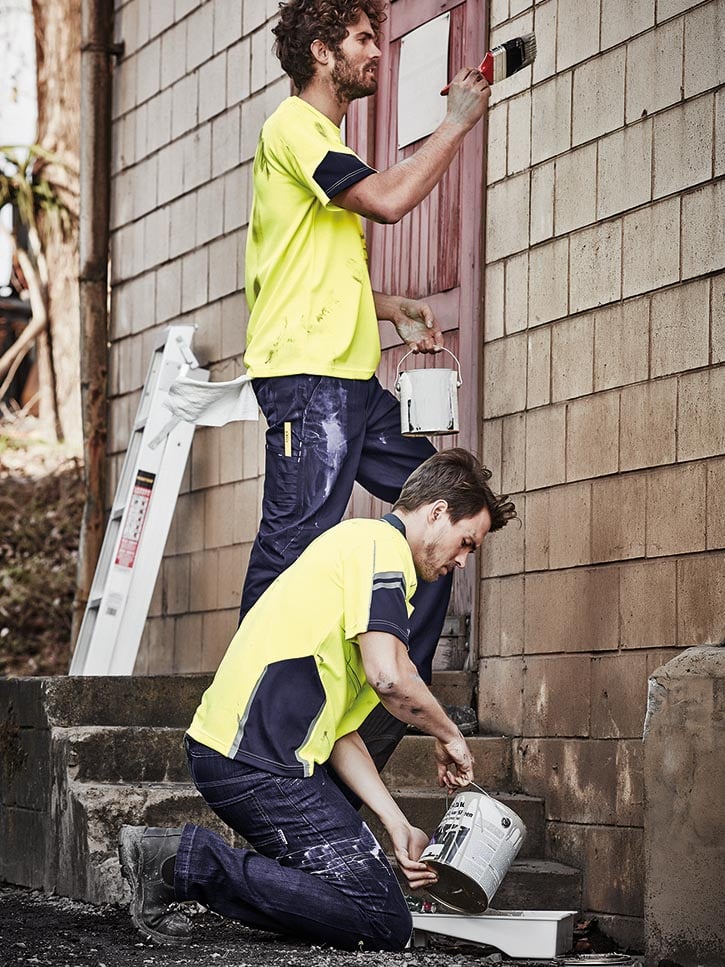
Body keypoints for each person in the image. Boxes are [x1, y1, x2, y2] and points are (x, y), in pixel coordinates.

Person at [119, 449, 516, 950]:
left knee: (373, 907)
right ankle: (183, 862)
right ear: (437, 512)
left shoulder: (360, 550)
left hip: (254, 757)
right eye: (467, 543)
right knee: (381, 918)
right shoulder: (381, 550)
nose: (462, 561)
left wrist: (397, 824)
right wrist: (449, 735)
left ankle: (189, 863)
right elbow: (391, 678)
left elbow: (339, 733)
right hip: (255, 761)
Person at [238, 0, 492, 770]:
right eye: (360, 39)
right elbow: (384, 200)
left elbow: (305, 270)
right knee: (291, 543)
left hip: (349, 385)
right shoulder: (295, 129)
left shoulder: (323, 141)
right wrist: (456, 122)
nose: (375, 50)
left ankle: (379, 709)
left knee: (443, 507)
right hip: (305, 382)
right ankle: (255, 724)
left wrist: (389, 307)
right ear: (321, 52)